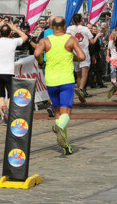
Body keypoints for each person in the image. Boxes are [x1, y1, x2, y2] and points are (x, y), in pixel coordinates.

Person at [34, 16, 85, 155]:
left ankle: (65, 146)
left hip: (51, 81)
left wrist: (41, 62)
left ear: (51, 27)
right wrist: (71, 56)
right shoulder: (70, 39)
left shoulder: (45, 41)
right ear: (64, 26)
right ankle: (59, 127)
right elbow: (82, 56)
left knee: (58, 113)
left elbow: (37, 53)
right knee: (66, 113)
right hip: (66, 80)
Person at [0, 21, 28, 125]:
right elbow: (25, 37)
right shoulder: (13, 42)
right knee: (10, 95)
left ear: (0, 33)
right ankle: (7, 112)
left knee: (1, 95)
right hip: (9, 72)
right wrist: (14, 27)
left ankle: (2, 117)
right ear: (10, 33)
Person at [66, 13, 101, 102]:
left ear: (73, 20)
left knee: (78, 75)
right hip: (84, 53)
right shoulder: (85, 29)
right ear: (81, 20)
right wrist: (96, 37)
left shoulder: (69, 29)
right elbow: (92, 42)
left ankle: (80, 93)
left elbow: (67, 39)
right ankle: (81, 89)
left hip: (74, 54)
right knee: (84, 75)